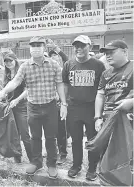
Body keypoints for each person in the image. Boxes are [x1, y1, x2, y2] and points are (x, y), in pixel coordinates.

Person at [0, 36, 67, 179]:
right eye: (33, 46)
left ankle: (51, 164)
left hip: (50, 106)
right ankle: (36, 162)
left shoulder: (54, 65)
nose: (36, 48)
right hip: (33, 107)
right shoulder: (25, 66)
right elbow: (15, 81)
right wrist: (4, 91)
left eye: (39, 45)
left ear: (44, 48)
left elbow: (59, 84)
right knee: (35, 137)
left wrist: (64, 103)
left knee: (51, 137)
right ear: (30, 48)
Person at [62, 35, 106, 181]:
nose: (79, 48)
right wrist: (64, 104)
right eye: (76, 46)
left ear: (90, 47)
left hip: (91, 109)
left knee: (93, 140)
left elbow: (102, 89)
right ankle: (76, 165)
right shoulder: (68, 64)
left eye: (82, 46)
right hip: (74, 108)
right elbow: (65, 85)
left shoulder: (98, 65)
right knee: (75, 139)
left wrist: (100, 113)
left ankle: (92, 168)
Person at [0, 52, 32, 163]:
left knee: (25, 134)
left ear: (15, 60)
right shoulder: (6, 74)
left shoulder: (22, 72)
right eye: (6, 61)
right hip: (10, 106)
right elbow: (6, 90)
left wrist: (17, 100)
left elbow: (28, 90)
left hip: (22, 106)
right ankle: (17, 156)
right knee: (14, 133)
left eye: (10, 60)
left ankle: (33, 159)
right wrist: (0, 94)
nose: (8, 63)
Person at [95, 40, 133, 131]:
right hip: (108, 120)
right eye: (106, 53)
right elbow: (100, 95)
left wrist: (131, 102)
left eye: (111, 52)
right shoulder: (105, 74)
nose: (108, 56)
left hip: (128, 120)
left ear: (124, 51)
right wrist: (97, 118)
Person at [47, 39, 69, 165]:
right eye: (52, 56)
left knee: (61, 130)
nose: (54, 58)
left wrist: (56, 48)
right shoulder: (47, 70)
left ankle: (63, 154)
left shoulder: (64, 69)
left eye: (56, 56)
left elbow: (66, 59)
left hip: (61, 104)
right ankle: (52, 152)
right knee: (50, 130)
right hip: (48, 104)